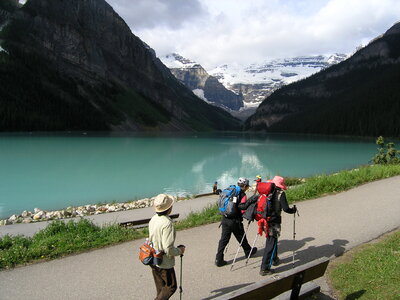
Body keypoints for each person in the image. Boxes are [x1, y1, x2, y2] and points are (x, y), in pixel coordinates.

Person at [149, 194, 186, 299]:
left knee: (161, 288)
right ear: (169, 208)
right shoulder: (167, 223)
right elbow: (168, 248)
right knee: (171, 287)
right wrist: (180, 251)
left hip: (153, 257)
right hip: (163, 260)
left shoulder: (153, 219)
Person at [215, 177, 258, 267]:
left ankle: (218, 259)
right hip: (234, 220)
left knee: (224, 239)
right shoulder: (241, 194)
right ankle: (248, 251)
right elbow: (241, 207)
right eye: (247, 187)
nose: (247, 188)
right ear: (245, 186)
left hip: (225, 218)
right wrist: (251, 200)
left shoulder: (231, 190)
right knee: (241, 236)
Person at [259, 176, 297, 276]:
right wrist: (293, 210)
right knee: (271, 243)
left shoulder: (267, 192)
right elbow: (285, 209)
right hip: (274, 221)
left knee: (272, 240)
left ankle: (275, 259)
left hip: (265, 220)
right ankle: (264, 268)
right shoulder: (280, 193)